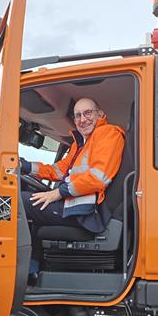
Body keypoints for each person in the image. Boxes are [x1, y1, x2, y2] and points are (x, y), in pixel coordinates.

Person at [20, 97, 125, 235]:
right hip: (73, 204)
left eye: (88, 113)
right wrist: (26, 166)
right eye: (78, 115)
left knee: (16, 200)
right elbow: (58, 171)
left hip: (86, 211)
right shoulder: (79, 144)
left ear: (100, 114)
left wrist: (58, 192)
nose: (83, 119)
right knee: (22, 200)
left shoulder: (108, 133)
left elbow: (98, 178)